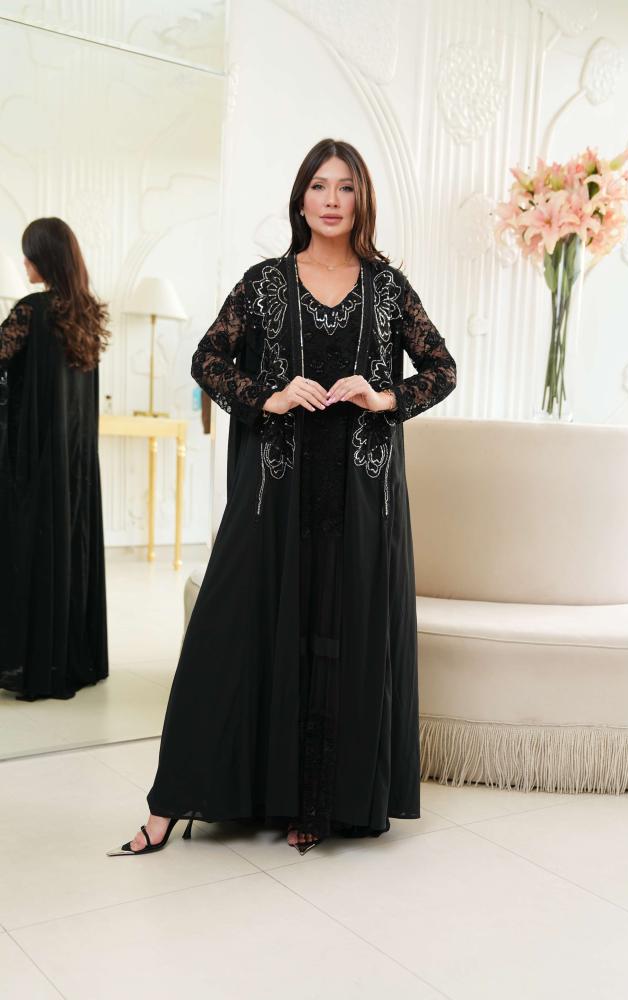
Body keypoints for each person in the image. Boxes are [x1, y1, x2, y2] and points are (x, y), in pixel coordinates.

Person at [108, 137, 456, 858]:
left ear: (362, 200)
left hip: (359, 496)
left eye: (346, 187)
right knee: (228, 631)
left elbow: (442, 369)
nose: (332, 200)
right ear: (300, 199)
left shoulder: (387, 289)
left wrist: (380, 394)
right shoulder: (265, 283)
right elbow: (207, 358)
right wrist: (268, 395)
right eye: (320, 186)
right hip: (276, 492)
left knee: (340, 638)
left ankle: (319, 805)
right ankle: (170, 802)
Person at [0, 218, 109, 700]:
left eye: (29, 253)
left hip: (35, 459)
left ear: (44, 258)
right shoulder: (85, 313)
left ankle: (30, 659)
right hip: (76, 463)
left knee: (27, 550)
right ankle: (65, 656)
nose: (24, 262)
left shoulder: (32, 310)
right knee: (68, 548)